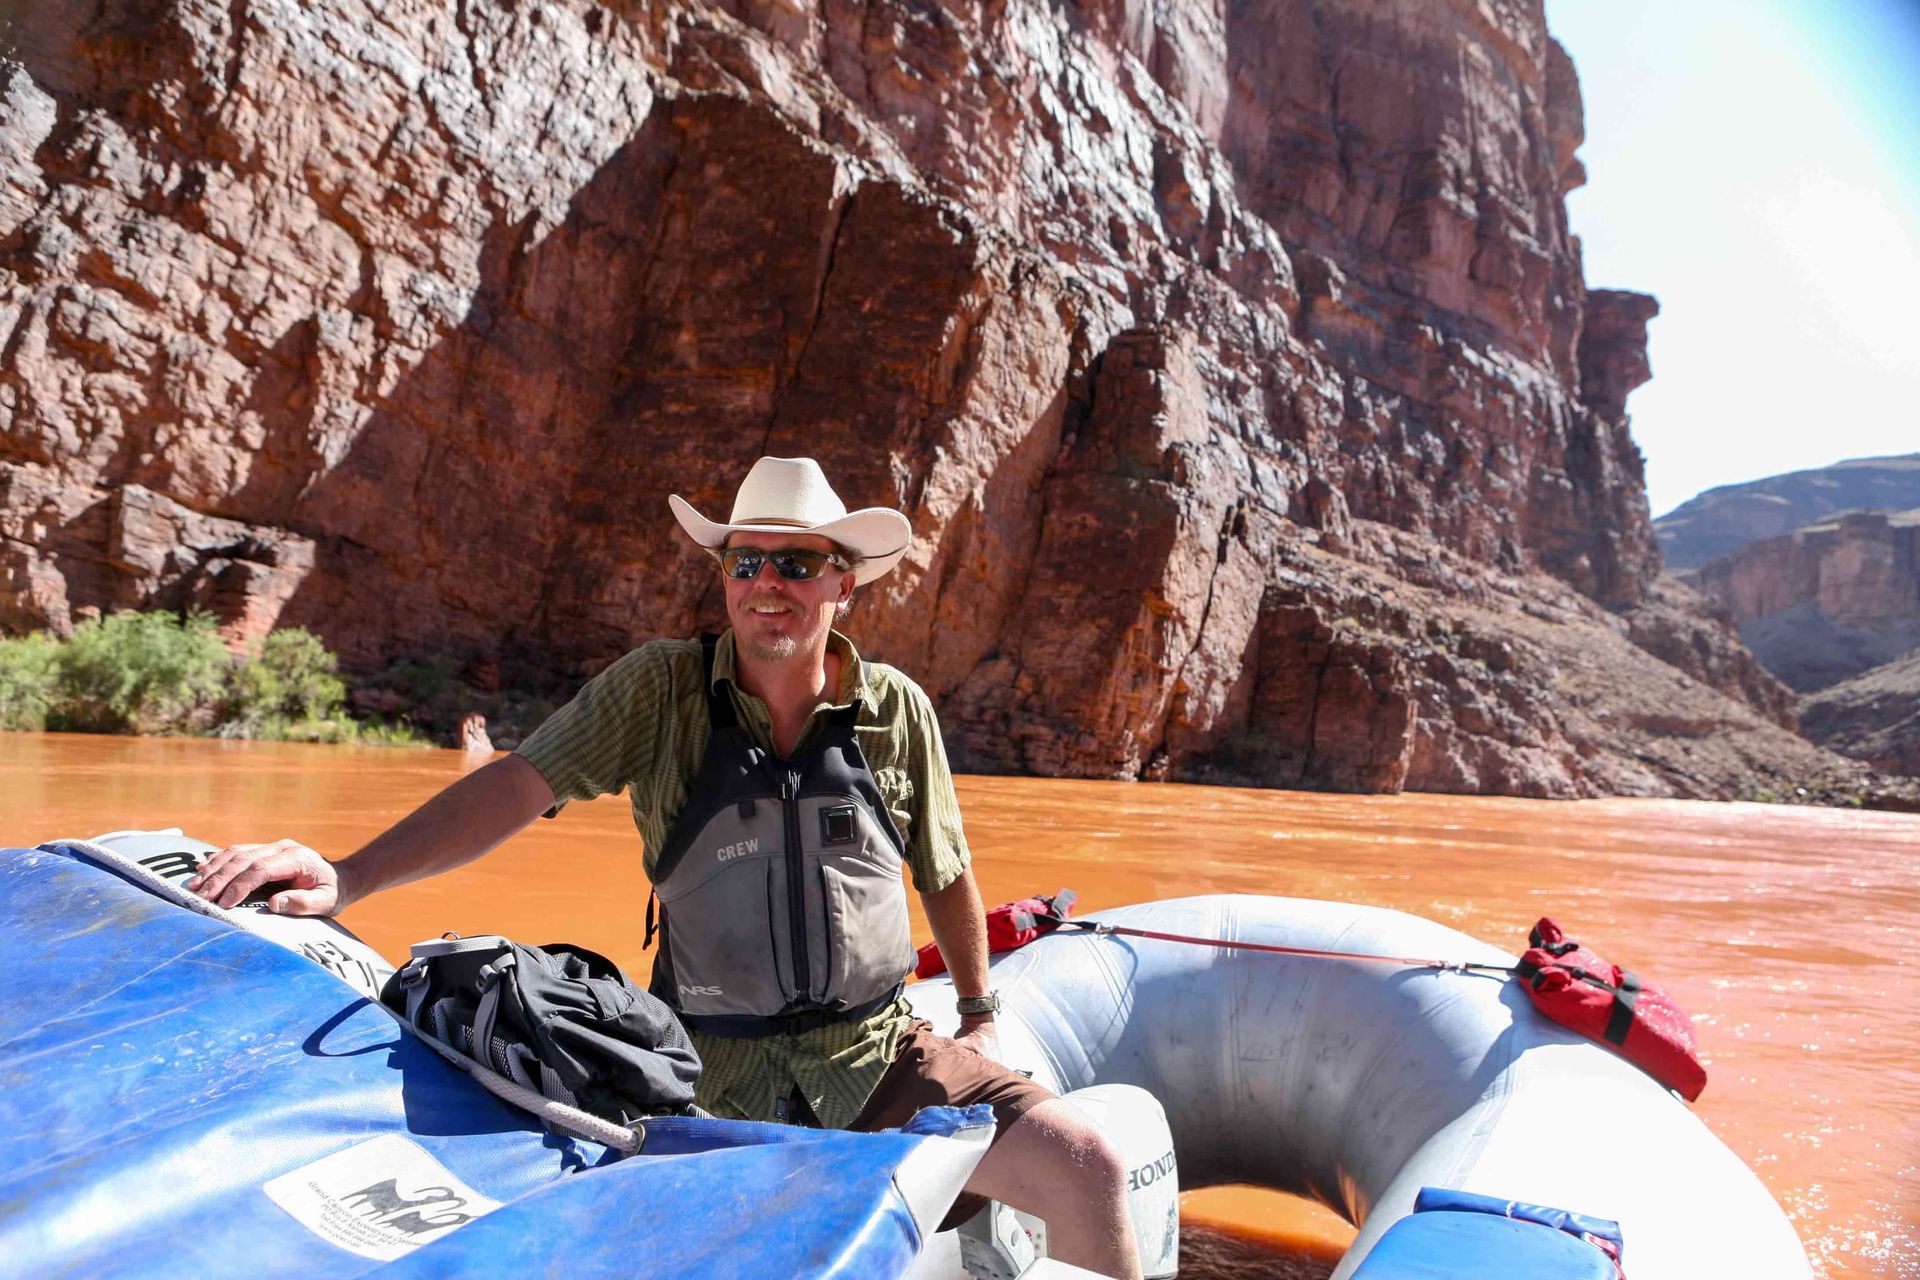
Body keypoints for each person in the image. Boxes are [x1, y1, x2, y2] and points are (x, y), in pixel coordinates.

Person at [189, 456, 1142, 1280]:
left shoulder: (898, 712)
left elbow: (945, 870)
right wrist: (349, 876)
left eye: (798, 563)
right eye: (746, 561)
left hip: (879, 1060)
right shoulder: (659, 689)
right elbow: (516, 788)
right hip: (703, 1083)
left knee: (1088, 1166)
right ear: (725, 576)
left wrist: (980, 1015)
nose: (769, 582)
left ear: (843, 583)